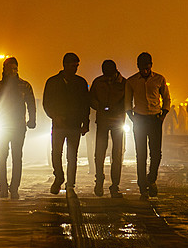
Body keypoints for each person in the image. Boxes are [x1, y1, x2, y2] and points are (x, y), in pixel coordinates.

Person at [0, 57, 37, 199]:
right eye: (10, 69)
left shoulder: (24, 86)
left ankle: (14, 188)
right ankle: (3, 187)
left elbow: (31, 104)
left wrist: (32, 120)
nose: (13, 71)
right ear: (5, 70)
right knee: (2, 156)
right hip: (3, 126)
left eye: (15, 69)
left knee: (16, 157)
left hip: (18, 126)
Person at [43, 52, 90, 196]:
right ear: (65, 65)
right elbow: (47, 103)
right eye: (72, 66)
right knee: (57, 153)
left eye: (76, 66)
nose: (75, 69)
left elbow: (85, 104)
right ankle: (59, 176)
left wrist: (85, 123)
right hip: (60, 124)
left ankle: (70, 183)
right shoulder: (53, 82)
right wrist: (54, 116)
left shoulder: (80, 83)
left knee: (71, 155)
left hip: (73, 124)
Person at [125, 52, 171, 200]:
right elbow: (127, 101)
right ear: (138, 66)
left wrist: (163, 115)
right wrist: (131, 116)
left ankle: (151, 179)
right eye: (142, 67)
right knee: (141, 154)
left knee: (156, 153)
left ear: (151, 65)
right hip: (139, 119)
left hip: (155, 119)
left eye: (147, 67)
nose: (145, 70)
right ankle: (142, 185)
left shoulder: (159, 79)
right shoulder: (132, 81)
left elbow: (166, 98)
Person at [89, 59, 126, 198]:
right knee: (103, 153)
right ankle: (104, 182)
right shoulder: (101, 82)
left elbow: (127, 101)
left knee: (114, 154)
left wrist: (103, 107)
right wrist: (99, 106)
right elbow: (91, 99)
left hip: (112, 121)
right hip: (107, 121)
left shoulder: (102, 82)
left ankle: (111, 184)